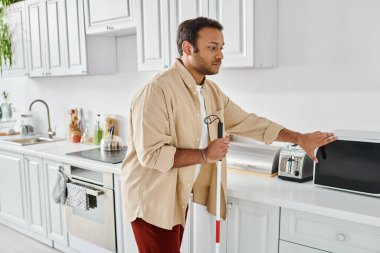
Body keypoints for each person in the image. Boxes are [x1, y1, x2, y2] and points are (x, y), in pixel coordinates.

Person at [121, 17, 336, 253]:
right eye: (212, 48)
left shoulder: (210, 91)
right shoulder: (157, 91)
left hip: (175, 194)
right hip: (152, 196)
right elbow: (151, 155)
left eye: (221, 48)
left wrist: (299, 138)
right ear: (187, 48)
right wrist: (205, 154)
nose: (220, 55)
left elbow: (248, 122)